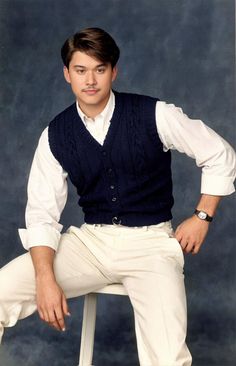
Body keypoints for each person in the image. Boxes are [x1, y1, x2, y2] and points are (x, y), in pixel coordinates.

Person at [0, 27, 235, 366]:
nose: (90, 80)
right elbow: (41, 213)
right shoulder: (56, 134)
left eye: (99, 69)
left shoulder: (154, 114)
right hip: (91, 243)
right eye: (81, 70)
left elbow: (220, 154)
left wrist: (202, 216)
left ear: (114, 71)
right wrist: (45, 277)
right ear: (68, 74)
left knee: (167, 358)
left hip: (151, 243)